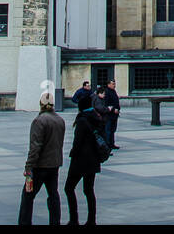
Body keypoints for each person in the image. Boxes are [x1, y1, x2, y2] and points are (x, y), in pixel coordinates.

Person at [18, 92, 65, 226]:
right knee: (53, 195)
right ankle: (55, 222)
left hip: (40, 166)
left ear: (41, 104)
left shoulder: (39, 121)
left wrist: (28, 167)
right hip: (54, 164)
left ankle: (24, 222)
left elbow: (35, 147)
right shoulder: (59, 120)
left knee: (28, 196)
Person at [64, 93, 106, 225]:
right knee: (89, 190)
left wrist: (72, 154)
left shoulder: (82, 120)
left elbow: (77, 143)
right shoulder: (97, 118)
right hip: (93, 159)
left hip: (80, 160)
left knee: (69, 188)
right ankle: (91, 220)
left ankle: (74, 219)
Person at [105, 79, 121, 149]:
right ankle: (108, 145)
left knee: (113, 130)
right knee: (108, 130)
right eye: (112, 84)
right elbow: (107, 103)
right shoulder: (107, 92)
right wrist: (114, 109)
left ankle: (112, 143)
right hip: (109, 114)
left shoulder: (113, 91)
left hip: (115, 115)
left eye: (114, 84)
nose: (114, 85)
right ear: (108, 84)